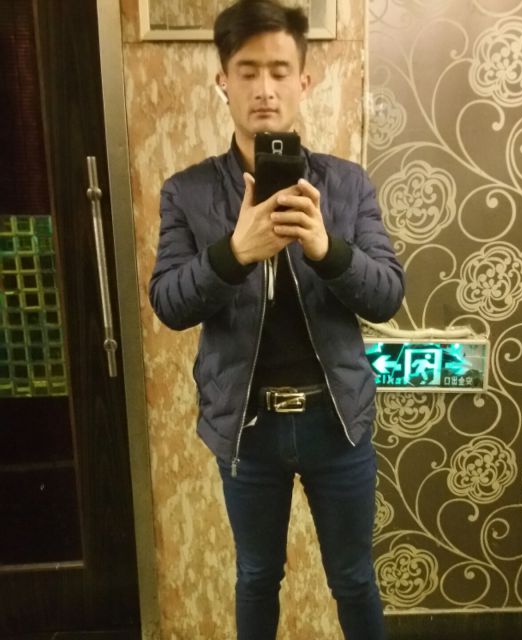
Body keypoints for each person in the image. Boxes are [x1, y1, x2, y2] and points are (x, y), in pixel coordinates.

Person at [149, 1, 405, 638]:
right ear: (223, 81)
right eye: (248, 71)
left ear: (304, 81)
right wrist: (235, 253)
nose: (264, 87)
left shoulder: (346, 185)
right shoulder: (187, 192)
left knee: (354, 578)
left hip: (337, 422)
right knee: (257, 576)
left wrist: (327, 249)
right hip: (247, 427)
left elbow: (387, 296)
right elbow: (169, 303)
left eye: (279, 70)